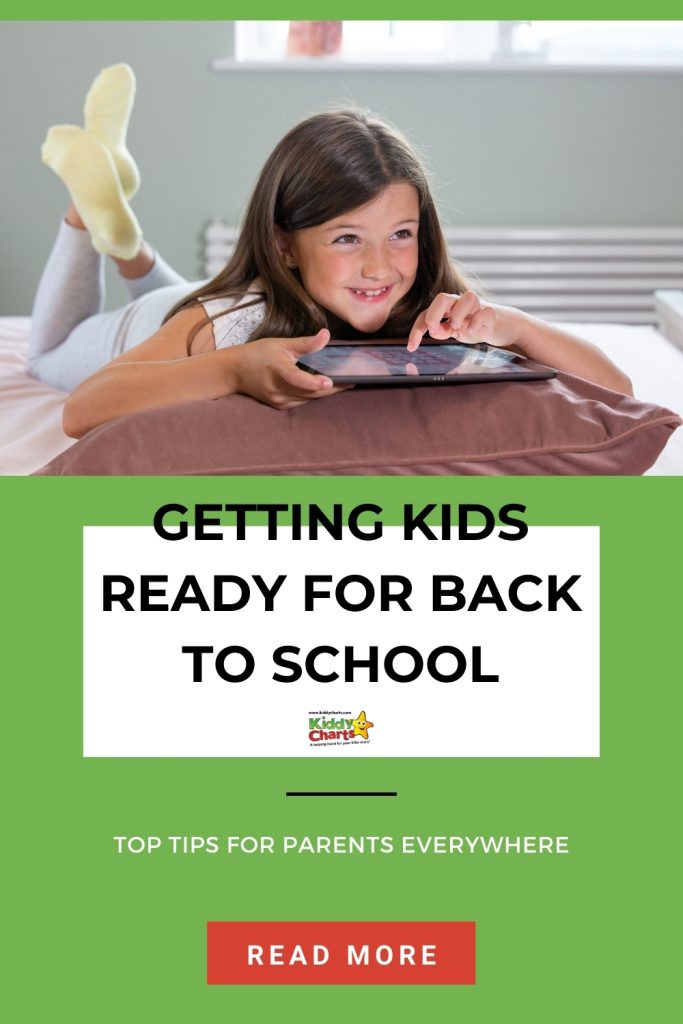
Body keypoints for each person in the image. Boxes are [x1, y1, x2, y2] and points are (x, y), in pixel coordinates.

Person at [31, 64, 631, 440]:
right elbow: (82, 410)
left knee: (179, 289)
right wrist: (230, 367)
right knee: (47, 350)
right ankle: (88, 215)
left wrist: (515, 327)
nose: (380, 266)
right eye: (347, 238)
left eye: (401, 234)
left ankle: (129, 244)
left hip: (195, 297)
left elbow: (620, 390)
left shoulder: (434, 309)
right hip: (149, 323)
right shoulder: (231, 322)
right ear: (283, 245)